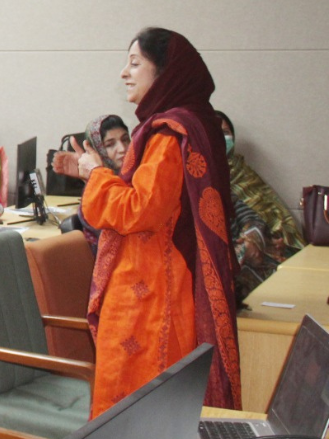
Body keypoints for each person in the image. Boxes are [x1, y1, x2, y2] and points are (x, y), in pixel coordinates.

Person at [58, 28, 241, 415]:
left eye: (135, 62)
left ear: (165, 71)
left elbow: (137, 211)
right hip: (169, 280)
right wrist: (93, 174)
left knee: (137, 413)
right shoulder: (195, 123)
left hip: (152, 294)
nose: (124, 72)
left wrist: (96, 175)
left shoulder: (168, 134)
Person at [218, 111, 305, 255]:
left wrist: (266, 239)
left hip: (260, 243)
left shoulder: (243, 171)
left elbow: (263, 212)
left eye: (226, 132)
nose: (221, 138)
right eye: (215, 133)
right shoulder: (199, 175)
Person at [74, 115, 132, 252]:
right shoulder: (95, 191)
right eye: (110, 144)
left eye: (125, 140)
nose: (123, 149)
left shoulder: (139, 177)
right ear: (97, 151)